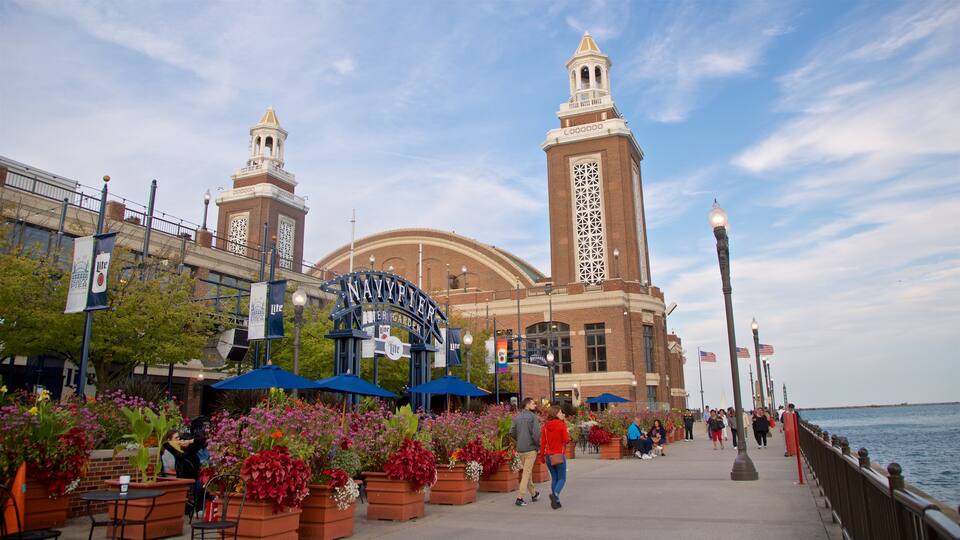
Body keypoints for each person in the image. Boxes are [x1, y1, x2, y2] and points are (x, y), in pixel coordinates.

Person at [509, 397, 541, 507]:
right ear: (527, 405)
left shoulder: (517, 417)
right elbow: (536, 434)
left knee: (527, 472)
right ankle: (520, 497)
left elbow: (511, 432)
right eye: (533, 403)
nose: (535, 405)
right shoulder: (533, 417)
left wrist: (519, 439)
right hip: (530, 449)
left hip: (520, 448)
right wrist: (537, 446)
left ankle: (534, 494)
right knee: (526, 473)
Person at [539, 406, 571, 509]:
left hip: (548, 456)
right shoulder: (561, 425)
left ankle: (556, 502)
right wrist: (566, 431)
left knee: (554, 478)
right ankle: (555, 494)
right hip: (558, 455)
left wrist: (542, 456)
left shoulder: (545, 426)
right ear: (555, 414)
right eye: (560, 412)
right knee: (562, 478)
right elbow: (566, 440)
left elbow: (543, 443)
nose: (562, 414)